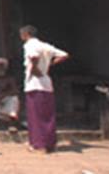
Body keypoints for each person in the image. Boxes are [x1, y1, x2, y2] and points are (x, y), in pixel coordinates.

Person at [20, 25, 69, 153]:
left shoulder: (30, 45)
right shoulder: (45, 46)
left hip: (35, 82)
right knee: (47, 115)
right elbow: (64, 55)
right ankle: (50, 143)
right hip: (46, 81)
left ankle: (39, 144)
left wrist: (35, 68)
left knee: (35, 115)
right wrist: (49, 64)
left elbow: (33, 56)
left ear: (26, 34)